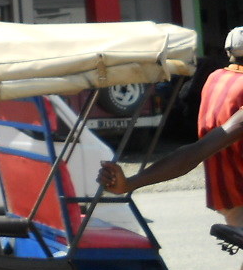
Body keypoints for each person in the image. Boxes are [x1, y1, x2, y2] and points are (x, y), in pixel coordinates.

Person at [98, 26, 243, 224]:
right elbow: (196, 152)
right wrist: (130, 183)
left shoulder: (215, 78)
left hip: (225, 199)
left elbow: (197, 149)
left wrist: (131, 183)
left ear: (228, 53)